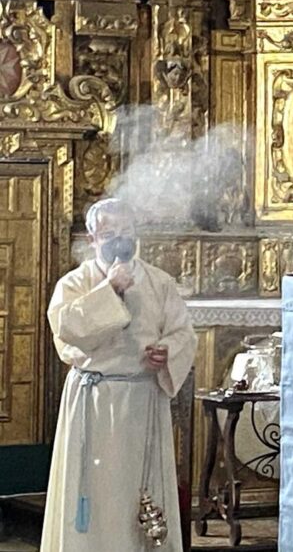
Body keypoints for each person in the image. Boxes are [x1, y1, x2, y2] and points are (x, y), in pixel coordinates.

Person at [41, 198, 196, 551]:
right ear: (93, 237)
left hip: (142, 402)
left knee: (137, 495)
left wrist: (167, 351)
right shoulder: (75, 283)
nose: (119, 239)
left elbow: (182, 331)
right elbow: (67, 329)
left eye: (126, 230)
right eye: (109, 232)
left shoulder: (159, 282)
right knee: (95, 496)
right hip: (93, 402)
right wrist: (109, 290)